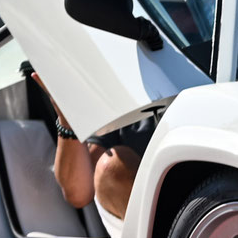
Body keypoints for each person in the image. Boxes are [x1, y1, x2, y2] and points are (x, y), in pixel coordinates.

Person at [28, 69, 152, 223]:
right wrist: (68, 120)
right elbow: (78, 193)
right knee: (112, 165)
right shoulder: (119, 89)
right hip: (168, 232)